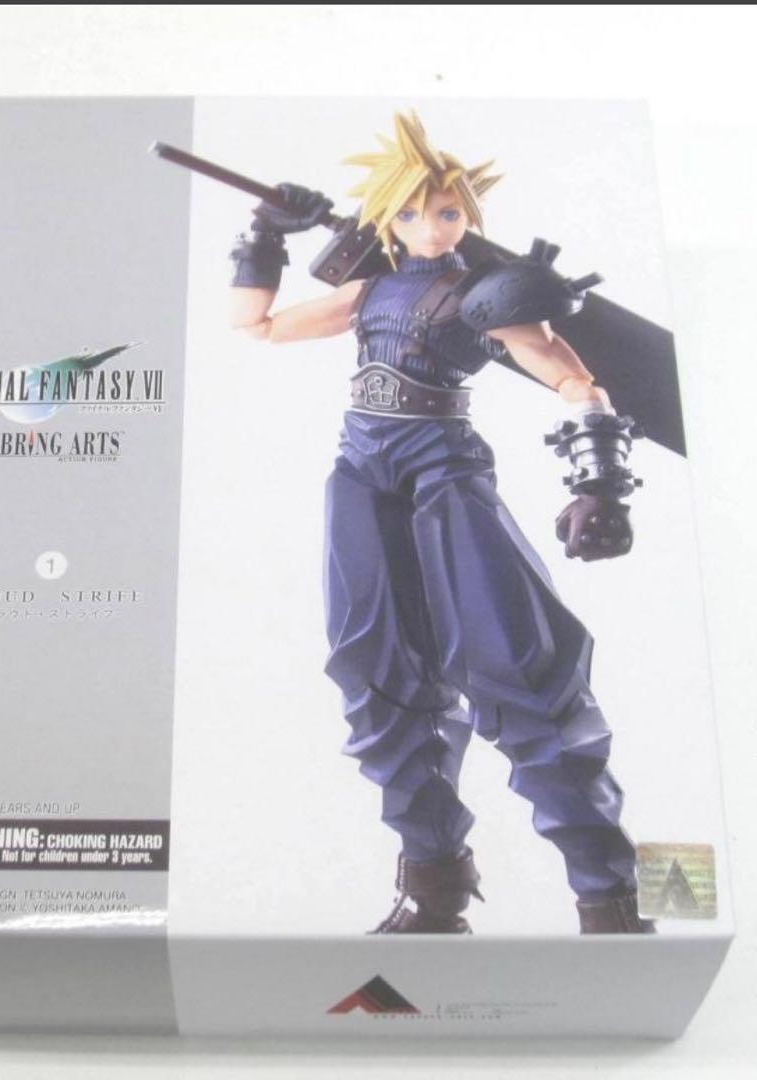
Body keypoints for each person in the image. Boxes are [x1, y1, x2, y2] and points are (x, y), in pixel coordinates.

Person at [228, 111, 651, 935]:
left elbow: (571, 377)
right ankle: (433, 890)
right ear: (387, 218)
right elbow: (257, 325)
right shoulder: (369, 289)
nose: (431, 226)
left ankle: (611, 902)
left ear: (468, 216)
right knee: (378, 678)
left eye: (448, 211)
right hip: (362, 478)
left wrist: (599, 480)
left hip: (444, 475)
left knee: (522, 672)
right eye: (413, 212)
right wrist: (264, 235)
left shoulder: (484, 296)